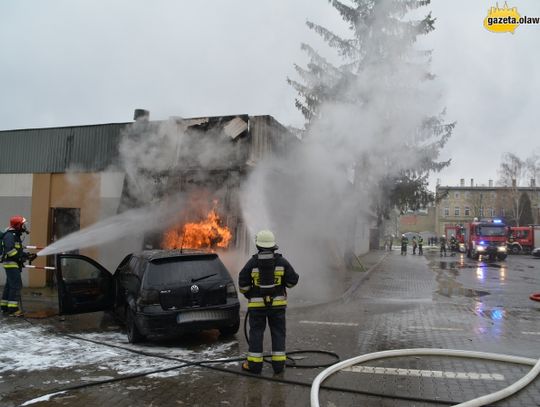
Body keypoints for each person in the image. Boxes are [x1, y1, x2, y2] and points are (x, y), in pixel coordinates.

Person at [238, 230, 299, 374]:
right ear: (273, 245)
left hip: (256, 307)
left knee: (256, 334)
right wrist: (281, 285)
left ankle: (254, 366)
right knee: (278, 333)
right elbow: (293, 281)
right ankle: (278, 366)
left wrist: (250, 294)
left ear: (258, 245)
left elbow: (243, 286)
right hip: (278, 306)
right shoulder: (282, 262)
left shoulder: (251, 263)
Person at [1, 215, 35, 317]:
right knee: (16, 286)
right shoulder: (10, 236)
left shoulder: (15, 235)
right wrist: (20, 258)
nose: (24, 227)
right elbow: (10, 251)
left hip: (12, 263)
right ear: (18, 225)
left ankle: (5, 307)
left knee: (9, 286)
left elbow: (17, 251)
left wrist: (26, 255)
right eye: (23, 225)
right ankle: (13, 309)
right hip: (11, 264)